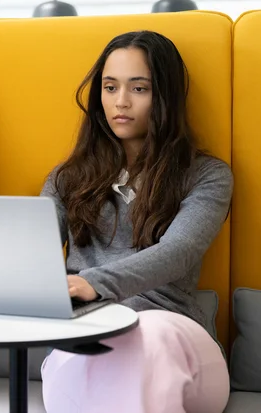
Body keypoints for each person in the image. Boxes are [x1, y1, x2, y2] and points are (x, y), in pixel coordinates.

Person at [40, 31, 233, 413]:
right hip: (88, 332)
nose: (120, 102)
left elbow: (178, 252)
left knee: (151, 337)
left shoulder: (207, 175)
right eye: (110, 87)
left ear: (164, 97)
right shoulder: (66, 178)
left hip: (173, 336)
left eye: (139, 88)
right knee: (81, 353)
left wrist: (91, 283)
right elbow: (32, 254)